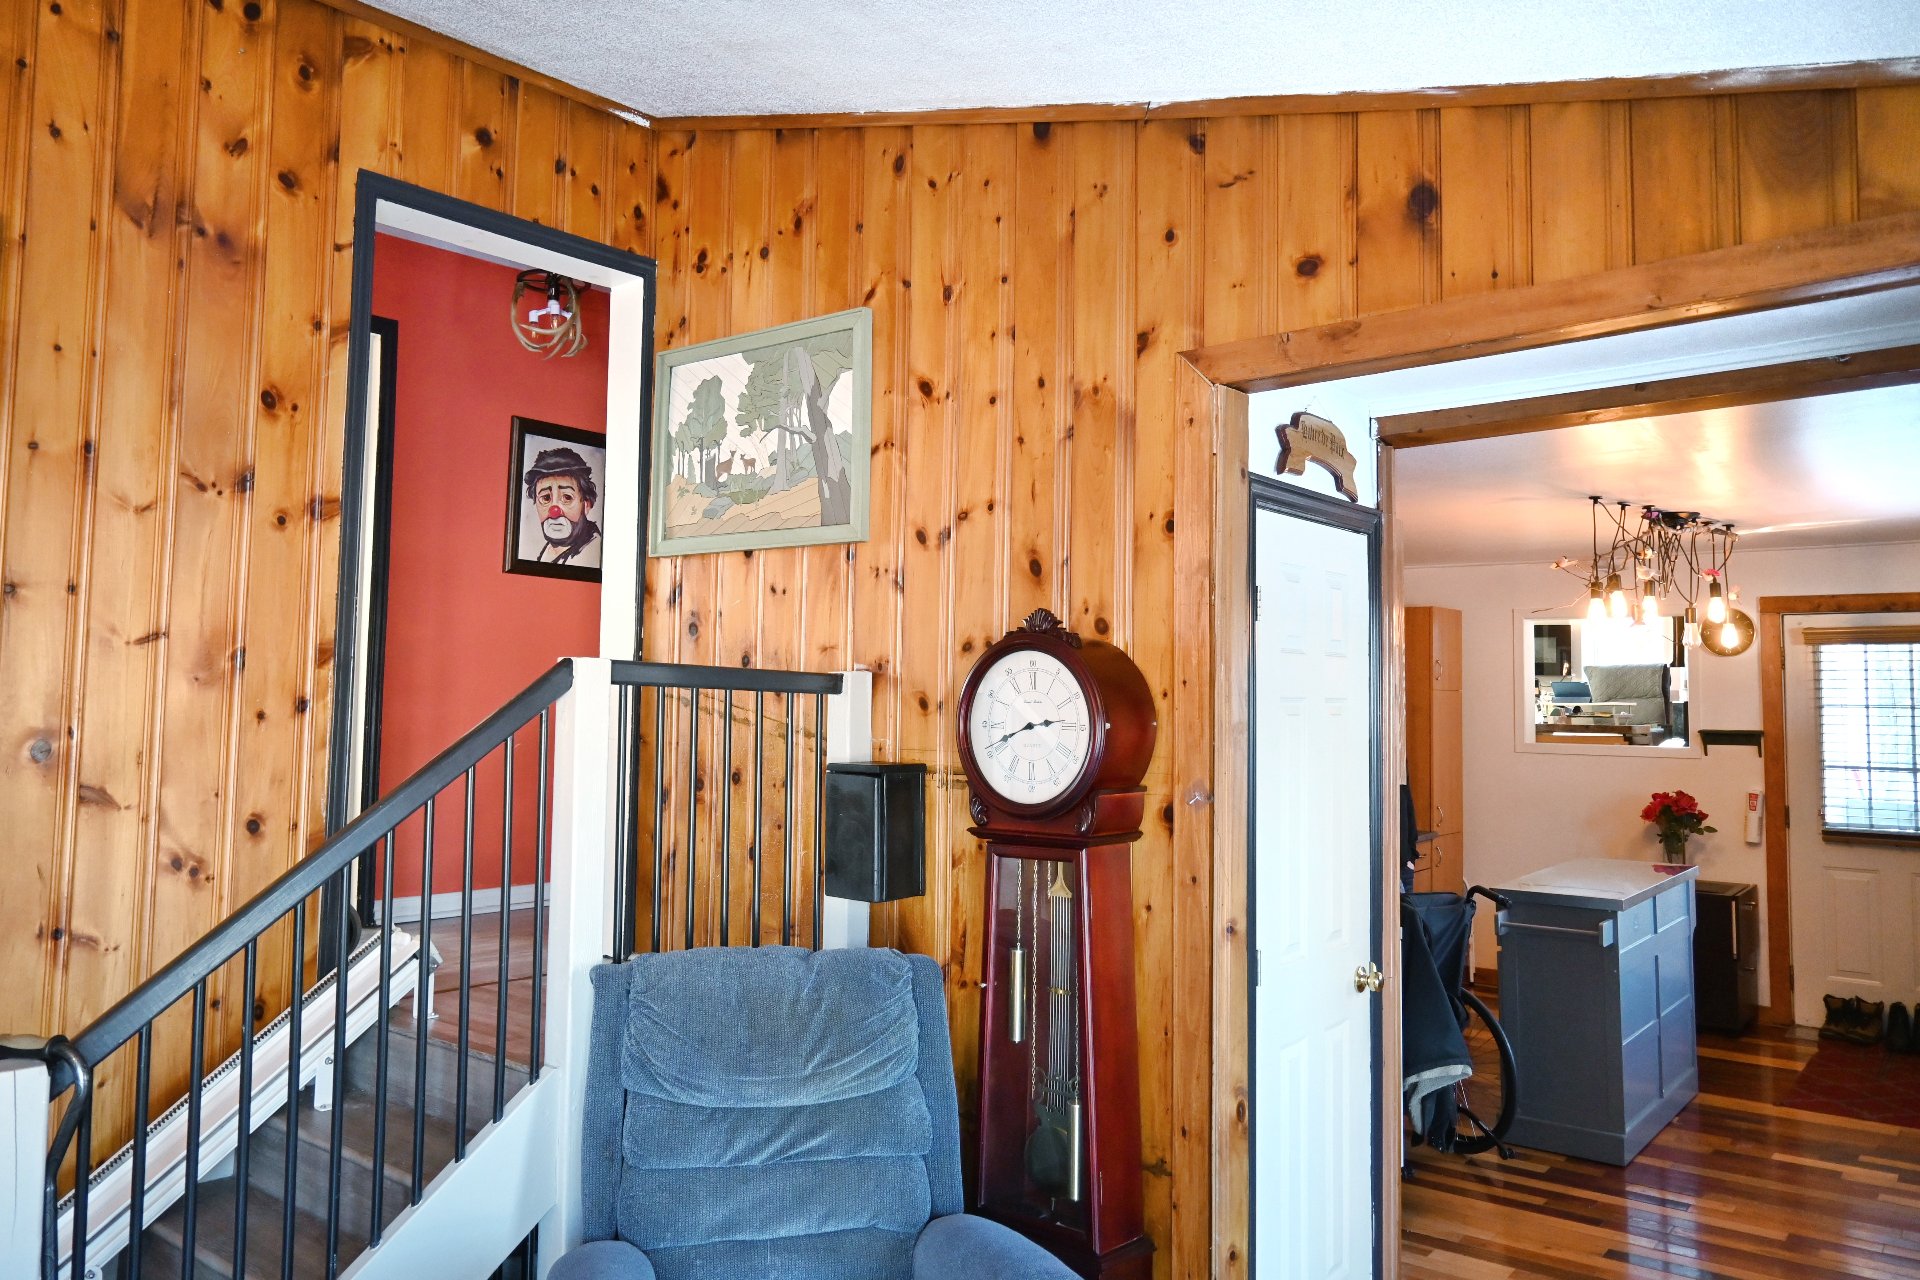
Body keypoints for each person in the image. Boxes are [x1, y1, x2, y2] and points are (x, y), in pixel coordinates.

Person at [522, 445, 602, 567]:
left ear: (586, 505)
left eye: (567, 497)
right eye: (546, 498)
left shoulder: (592, 553)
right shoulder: (547, 552)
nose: (554, 511)